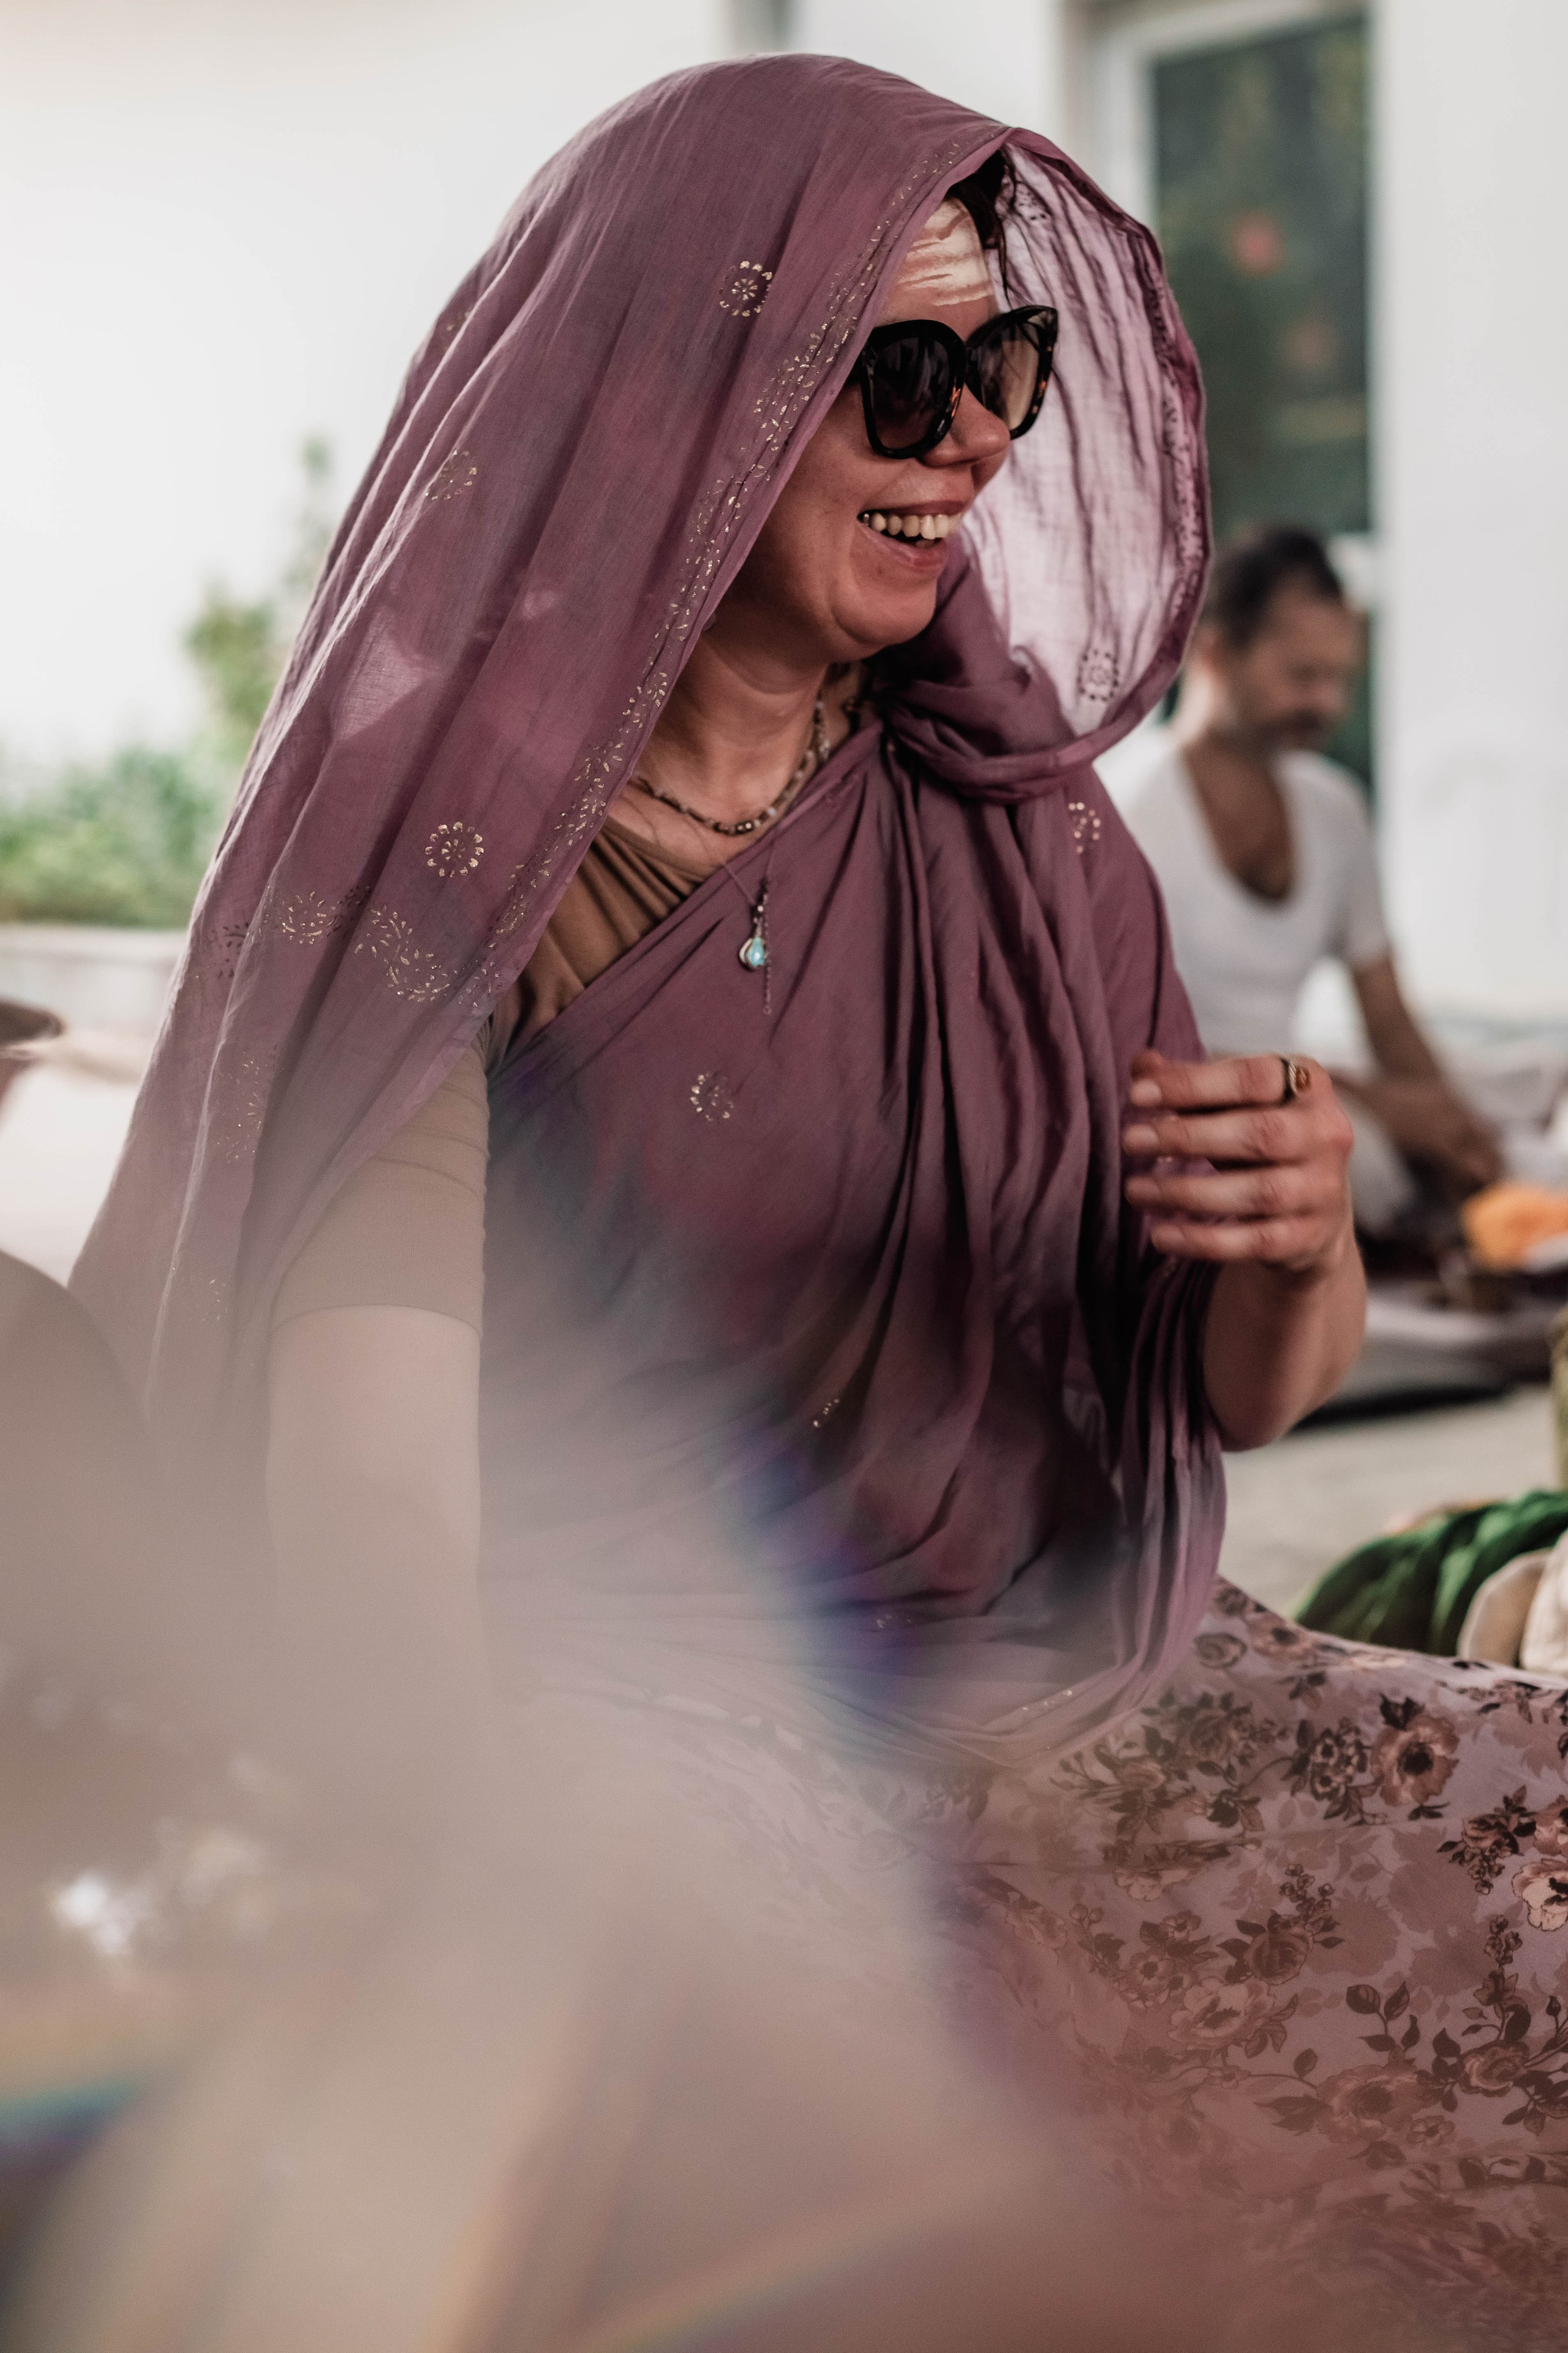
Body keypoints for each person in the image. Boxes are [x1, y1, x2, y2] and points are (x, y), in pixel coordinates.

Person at [69, 59, 1568, 2339]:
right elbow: (374, 1527)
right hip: (654, 1732)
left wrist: (1285, 1247)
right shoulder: (459, 881)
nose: (973, 436)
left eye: (1006, 364)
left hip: (1072, 1700)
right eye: (899, 371)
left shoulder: (1021, 832)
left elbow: (1237, 1400)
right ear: (698, 388)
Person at [1123, 525, 1502, 1240]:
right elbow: (1121, 1054)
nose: (1326, 703)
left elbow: (1388, 1018)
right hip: (1184, 1114)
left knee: (1514, 1101)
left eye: (1340, 680)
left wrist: (1451, 1123)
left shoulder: (1335, 810)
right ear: (1214, 654)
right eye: (1302, 677)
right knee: (1345, 1154)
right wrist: (1368, 1100)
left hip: (1306, 1098)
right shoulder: (1127, 810)